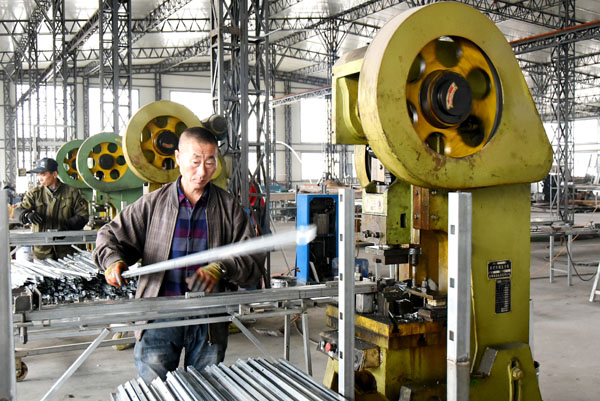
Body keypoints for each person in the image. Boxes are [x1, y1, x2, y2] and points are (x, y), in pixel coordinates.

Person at [93, 126, 264, 383]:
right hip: (159, 317)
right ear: (178, 158)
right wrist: (113, 261)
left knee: (205, 390)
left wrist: (222, 267)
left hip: (208, 320)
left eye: (210, 162)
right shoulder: (153, 204)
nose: (202, 171)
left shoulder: (229, 208)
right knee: (156, 391)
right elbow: (110, 236)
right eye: (195, 162)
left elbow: (252, 257)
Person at [14, 157, 89, 260]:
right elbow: (18, 211)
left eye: (43, 175)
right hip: (42, 251)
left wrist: (67, 226)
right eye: (39, 175)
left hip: (67, 250)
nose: (40, 178)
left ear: (54, 174)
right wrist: (27, 215)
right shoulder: (35, 193)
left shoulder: (72, 192)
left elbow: (83, 215)